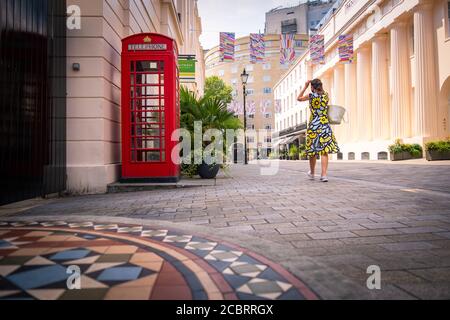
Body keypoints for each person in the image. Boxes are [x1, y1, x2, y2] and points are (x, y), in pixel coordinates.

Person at [297, 79, 339, 182]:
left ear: (312, 87)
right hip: (324, 124)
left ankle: (312, 173)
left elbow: (299, 98)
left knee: (313, 151)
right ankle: (323, 175)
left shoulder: (311, 96)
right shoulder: (326, 95)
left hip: (314, 126)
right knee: (324, 151)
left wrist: (305, 86)